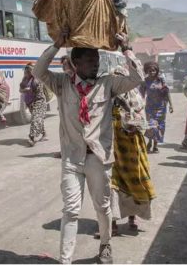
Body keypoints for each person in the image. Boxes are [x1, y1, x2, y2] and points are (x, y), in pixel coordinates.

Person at [33, 29, 144, 264]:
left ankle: (105, 245)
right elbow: (38, 70)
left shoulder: (108, 84)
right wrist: (56, 44)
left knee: (103, 207)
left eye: (97, 60)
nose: (96, 65)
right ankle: (65, 259)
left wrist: (126, 48)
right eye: (90, 61)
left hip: (99, 158)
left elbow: (137, 79)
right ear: (76, 63)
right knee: (70, 210)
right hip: (72, 159)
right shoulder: (62, 84)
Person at [107, 67, 155, 236]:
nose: (117, 82)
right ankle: (112, 222)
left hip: (131, 147)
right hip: (112, 147)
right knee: (112, 183)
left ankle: (131, 219)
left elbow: (141, 121)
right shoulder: (107, 95)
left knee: (133, 180)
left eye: (120, 78)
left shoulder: (133, 95)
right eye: (115, 78)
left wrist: (128, 112)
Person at [140, 62, 173, 154]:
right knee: (151, 125)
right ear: (147, 71)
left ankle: (155, 145)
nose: (152, 72)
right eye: (150, 71)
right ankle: (149, 142)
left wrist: (171, 105)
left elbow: (167, 92)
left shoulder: (161, 80)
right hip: (149, 107)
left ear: (156, 71)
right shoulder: (144, 81)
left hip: (161, 107)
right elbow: (141, 95)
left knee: (159, 126)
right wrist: (139, 106)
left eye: (154, 71)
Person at [20, 62, 47, 146]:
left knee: (35, 119)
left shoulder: (36, 79)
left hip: (39, 101)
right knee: (37, 119)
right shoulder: (24, 79)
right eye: (26, 71)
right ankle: (44, 134)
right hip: (30, 102)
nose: (27, 73)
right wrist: (24, 90)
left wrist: (27, 90)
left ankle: (32, 138)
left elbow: (35, 90)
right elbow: (20, 89)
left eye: (29, 71)